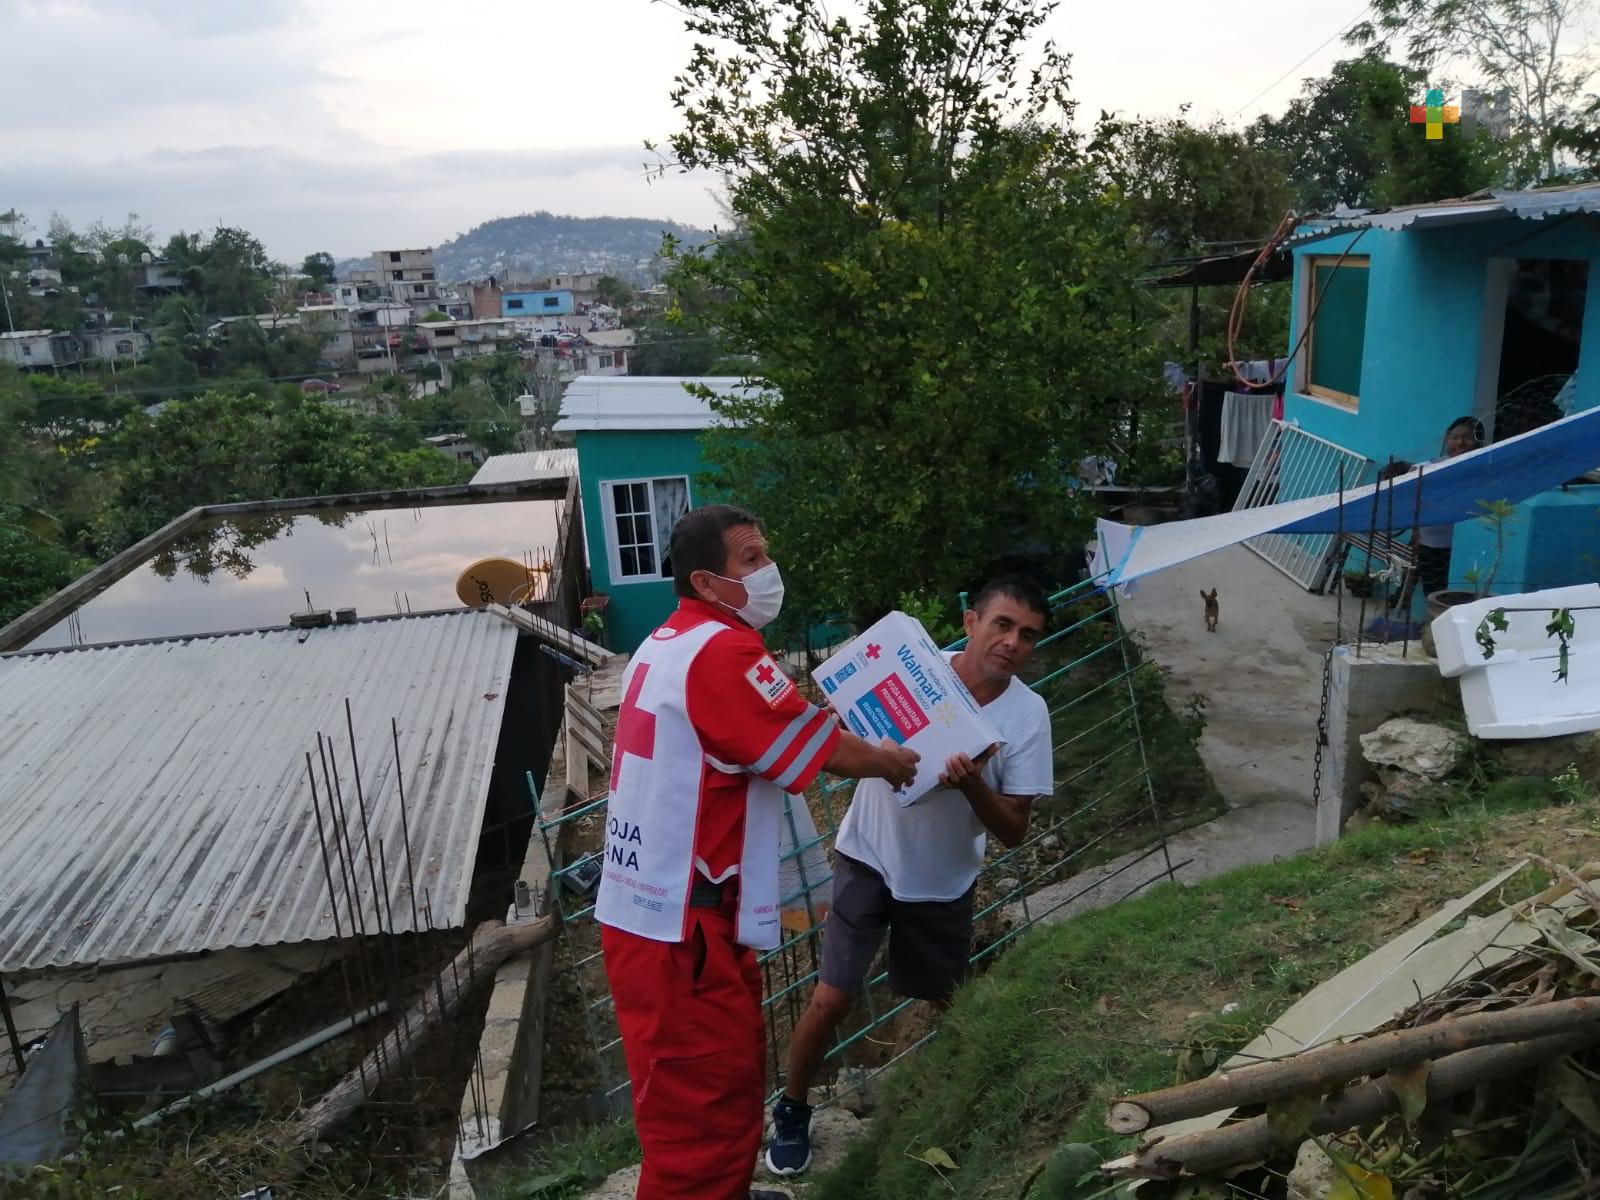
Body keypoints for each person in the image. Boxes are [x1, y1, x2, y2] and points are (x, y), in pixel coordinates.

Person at [596, 503, 920, 1200]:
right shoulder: (723, 650)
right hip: (683, 931)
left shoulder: (666, 643)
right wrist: (890, 762)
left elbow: (768, 731)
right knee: (700, 1113)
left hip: (662, 914)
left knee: (719, 1081)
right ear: (709, 583)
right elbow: (818, 747)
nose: (769, 570)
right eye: (752, 560)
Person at [765, 576, 1056, 1176]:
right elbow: (849, 751)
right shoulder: (909, 670)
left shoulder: (1028, 717)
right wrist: (836, 727)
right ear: (971, 622)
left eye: (1027, 635)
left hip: (941, 882)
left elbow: (1014, 830)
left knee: (945, 1002)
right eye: (1002, 624)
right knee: (831, 996)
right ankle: (791, 1108)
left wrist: (973, 781)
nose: (1012, 642)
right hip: (867, 853)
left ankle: (951, 1106)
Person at [1414, 416, 1484, 597]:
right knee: (1433, 594)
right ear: (1447, 439)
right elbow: (1413, 473)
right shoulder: (1433, 466)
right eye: (1455, 437)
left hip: (1465, 547)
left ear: (1479, 442)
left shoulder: (1482, 469)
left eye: (1468, 437)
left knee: (1459, 596)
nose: (1460, 442)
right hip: (1431, 545)